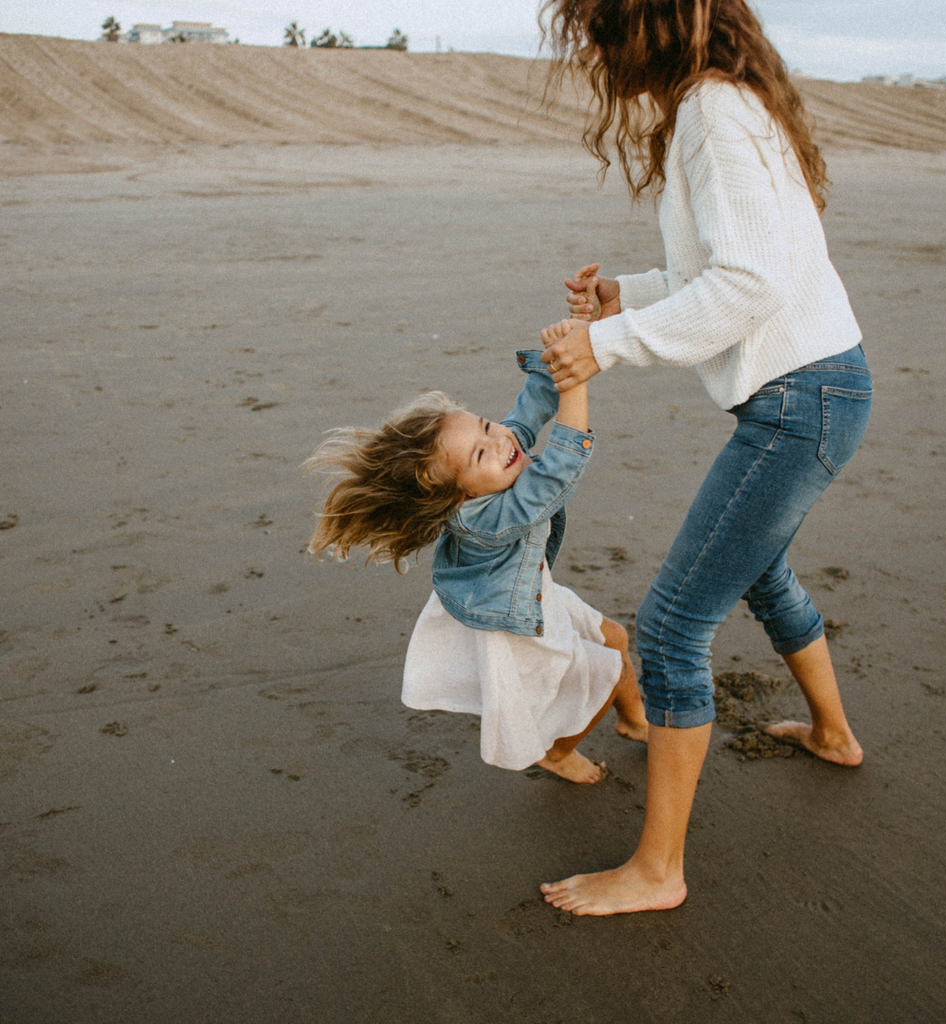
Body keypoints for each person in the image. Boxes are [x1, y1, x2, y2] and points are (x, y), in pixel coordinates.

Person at [536, 0, 873, 915]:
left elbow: (751, 283)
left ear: (642, 24)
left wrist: (608, 346)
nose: (599, 53)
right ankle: (835, 735)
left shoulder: (712, 112)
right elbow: (731, 269)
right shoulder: (736, 99)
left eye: (602, 32)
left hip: (801, 399)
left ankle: (657, 871)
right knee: (760, 574)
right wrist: (621, 297)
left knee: (676, 625)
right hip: (824, 387)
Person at [305, 326, 647, 785]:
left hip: (533, 593)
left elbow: (527, 411)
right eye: (481, 453)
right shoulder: (482, 518)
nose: (503, 443)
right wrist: (576, 382)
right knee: (603, 677)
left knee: (616, 639)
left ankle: (636, 721)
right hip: (521, 626)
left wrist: (569, 346)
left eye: (486, 426)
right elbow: (558, 471)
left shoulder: (497, 460)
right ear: (456, 496)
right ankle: (560, 753)